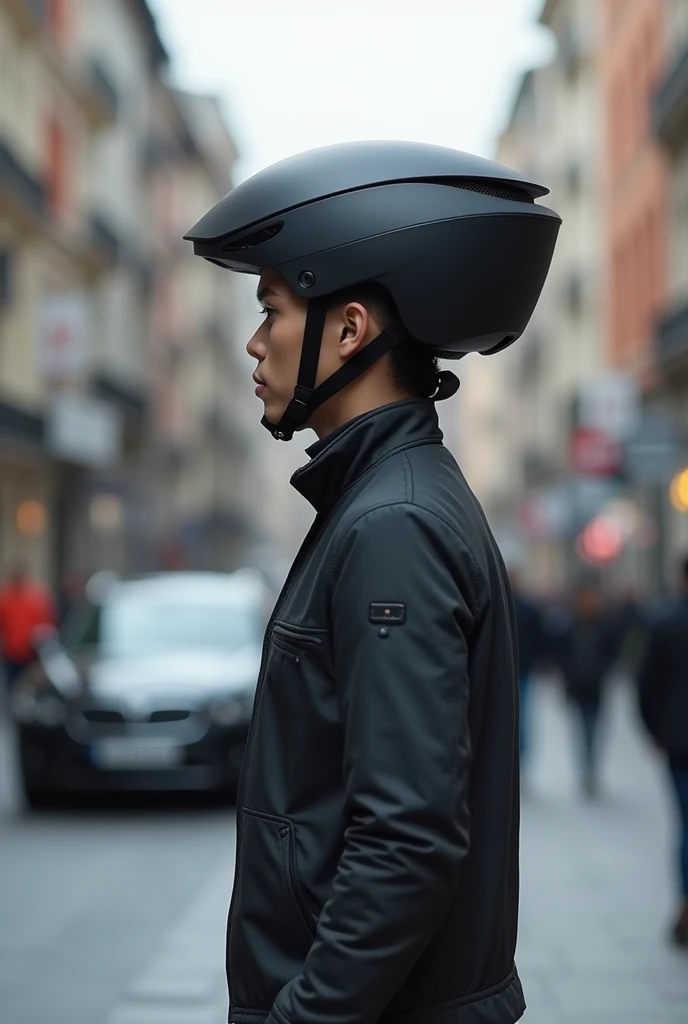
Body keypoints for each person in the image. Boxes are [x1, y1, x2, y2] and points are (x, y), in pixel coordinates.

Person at [186, 141, 560, 1024]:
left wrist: (303, 1017)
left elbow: (406, 841)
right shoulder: (388, 498)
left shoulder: (391, 523)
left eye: (271, 308)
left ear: (349, 329)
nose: (254, 339)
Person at [638, 555, 688, 947]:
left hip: (679, 740)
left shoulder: (666, 623)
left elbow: (647, 683)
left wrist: (653, 729)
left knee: (686, 823)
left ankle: (685, 903)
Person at [553, 576, 619, 798]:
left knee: (594, 728)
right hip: (576, 685)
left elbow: (614, 652)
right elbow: (559, 652)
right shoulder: (569, 623)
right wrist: (567, 671)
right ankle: (586, 767)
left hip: (596, 686)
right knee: (581, 729)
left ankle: (591, 766)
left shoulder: (606, 624)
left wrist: (602, 670)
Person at [508, 567, 545, 769]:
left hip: (520, 669)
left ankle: (518, 756)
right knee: (521, 716)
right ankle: (518, 756)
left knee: (519, 715)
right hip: (522, 668)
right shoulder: (528, 609)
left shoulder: (521, 608)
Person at [0, 561, 56, 690]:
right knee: (12, 685)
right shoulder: (6, 599)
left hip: (31, 652)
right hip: (11, 652)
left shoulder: (36, 598)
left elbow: (46, 624)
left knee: (29, 686)